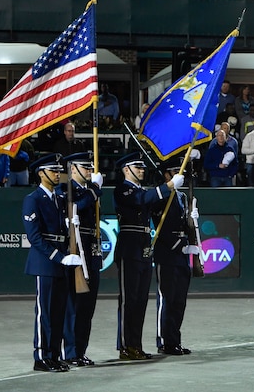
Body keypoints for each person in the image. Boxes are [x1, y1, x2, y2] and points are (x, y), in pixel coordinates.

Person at [113, 152, 184, 360]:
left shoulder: (141, 190)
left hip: (144, 246)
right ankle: (126, 346)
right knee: (129, 300)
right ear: (126, 170)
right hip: (129, 247)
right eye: (137, 167)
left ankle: (136, 344)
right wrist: (168, 186)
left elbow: (154, 201)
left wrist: (173, 192)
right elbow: (142, 200)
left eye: (143, 167)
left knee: (141, 300)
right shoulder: (123, 190)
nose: (142, 170)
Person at [23, 154, 82, 373]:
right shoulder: (33, 199)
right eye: (53, 171)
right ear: (41, 173)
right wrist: (59, 256)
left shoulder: (58, 198)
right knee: (44, 312)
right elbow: (35, 237)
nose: (58, 174)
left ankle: (54, 355)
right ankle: (41, 356)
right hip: (45, 262)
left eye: (58, 171)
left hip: (61, 261)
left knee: (58, 312)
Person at [59, 152, 104, 367]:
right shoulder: (66, 189)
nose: (89, 171)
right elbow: (75, 207)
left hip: (91, 252)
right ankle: (70, 351)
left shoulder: (86, 191)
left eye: (90, 167)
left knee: (87, 308)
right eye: (85, 167)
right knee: (74, 307)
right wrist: (94, 190)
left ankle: (81, 350)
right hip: (77, 251)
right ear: (73, 169)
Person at [151, 160, 198, 355]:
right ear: (166, 175)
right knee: (167, 298)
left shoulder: (182, 196)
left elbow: (185, 225)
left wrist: (192, 220)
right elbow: (158, 225)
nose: (181, 175)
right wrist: (178, 243)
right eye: (174, 172)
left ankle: (174, 340)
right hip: (166, 252)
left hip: (181, 253)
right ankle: (164, 341)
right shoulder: (160, 196)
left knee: (179, 300)